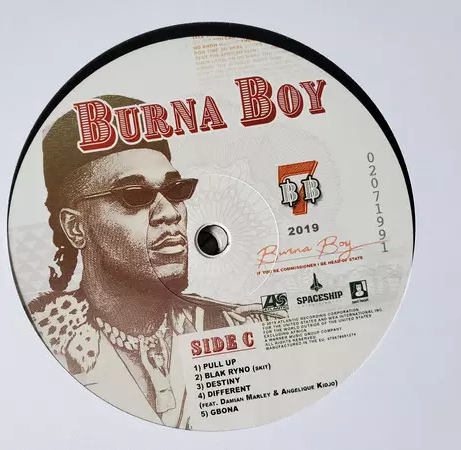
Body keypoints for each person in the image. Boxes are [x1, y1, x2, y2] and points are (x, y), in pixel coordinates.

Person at [27, 95, 282, 429]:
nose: (169, 213)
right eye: (134, 196)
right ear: (76, 227)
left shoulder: (239, 325)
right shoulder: (42, 345)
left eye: (176, 191)